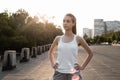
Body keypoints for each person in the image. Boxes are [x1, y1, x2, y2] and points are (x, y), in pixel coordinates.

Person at [49, 13, 93, 80]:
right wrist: (53, 64)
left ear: (73, 23)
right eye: (64, 21)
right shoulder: (58, 38)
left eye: (68, 21)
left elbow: (90, 53)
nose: (65, 23)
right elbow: (50, 53)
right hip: (59, 73)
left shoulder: (78, 38)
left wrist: (82, 67)